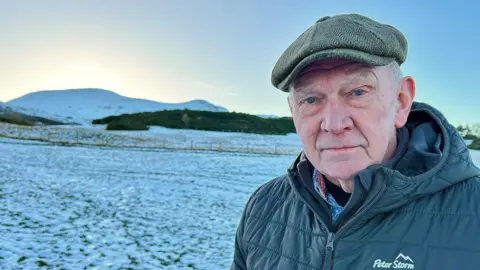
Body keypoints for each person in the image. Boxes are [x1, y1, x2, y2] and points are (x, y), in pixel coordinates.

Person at [230, 13, 480, 270]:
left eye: (358, 92)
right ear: (294, 112)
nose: (334, 124)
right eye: (311, 100)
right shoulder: (263, 206)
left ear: (401, 102)